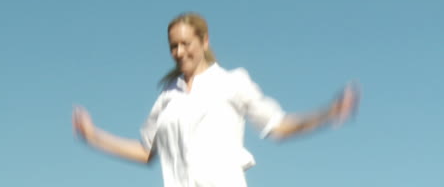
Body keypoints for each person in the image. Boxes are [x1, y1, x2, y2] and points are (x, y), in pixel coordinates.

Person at [73, 12, 360, 187]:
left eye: (186, 43)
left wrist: (328, 113)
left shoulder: (232, 82)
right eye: (173, 46)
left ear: (204, 41)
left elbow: (279, 126)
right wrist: (93, 136)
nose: (179, 51)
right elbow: (146, 152)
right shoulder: (167, 97)